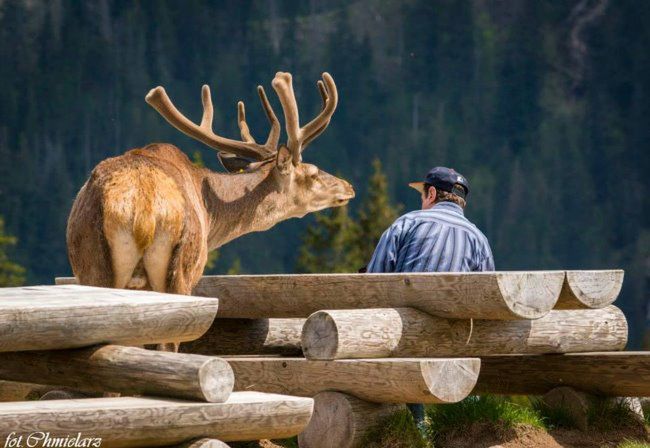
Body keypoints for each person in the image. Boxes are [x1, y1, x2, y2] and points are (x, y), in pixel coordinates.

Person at [366, 166, 495, 430]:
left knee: (401, 344)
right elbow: (487, 302)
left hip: (404, 342)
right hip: (454, 345)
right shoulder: (479, 240)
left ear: (432, 194)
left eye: (423, 195)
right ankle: (470, 428)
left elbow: (373, 284)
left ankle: (417, 431)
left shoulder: (407, 223)